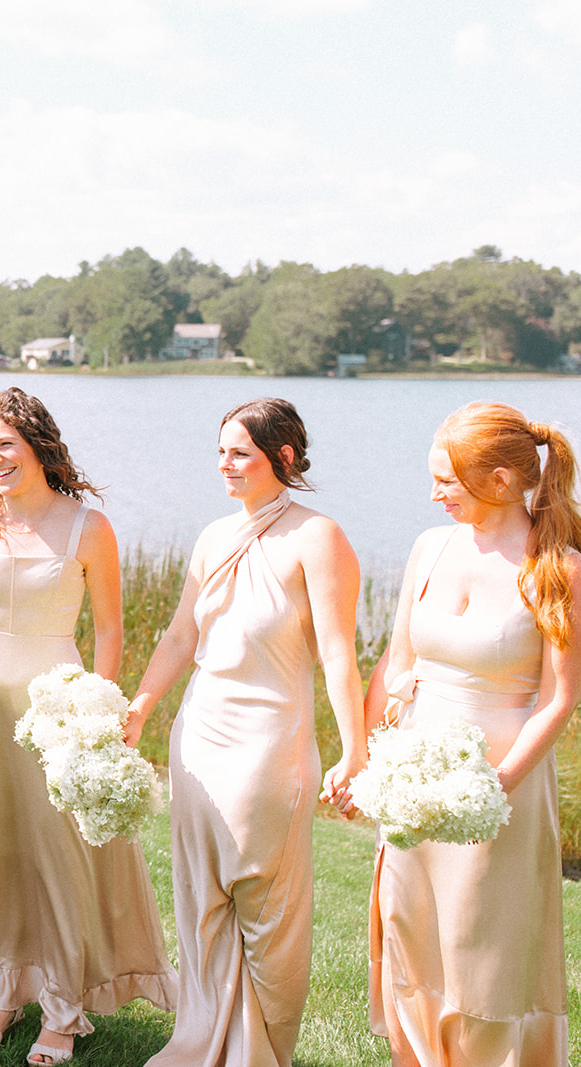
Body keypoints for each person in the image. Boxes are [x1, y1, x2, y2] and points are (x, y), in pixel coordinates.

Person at [0, 388, 177, 1064]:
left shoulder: (87, 528)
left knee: (59, 851)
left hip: (59, 705)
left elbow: (110, 628)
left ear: (37, 445)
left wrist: (99, 712)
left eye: (5, 445)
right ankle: (4, 989)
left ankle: (64, 1005)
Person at [123, 397, 366, 1067]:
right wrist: (142, 705)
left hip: (269, 748)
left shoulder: (317, 537)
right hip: (198, 736)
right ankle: (200, 1041)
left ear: (283, 458)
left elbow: (341, 654)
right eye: (220, 450)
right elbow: (180, 634)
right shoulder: (211, 535)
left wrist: (356, 749)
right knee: (201, 901)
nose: (224, 464)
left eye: (240, 453)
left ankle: (261, 1054)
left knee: (267, 913)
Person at [364, 402, 579, 1065]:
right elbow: (398, 663)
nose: (435, 494)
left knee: (480, 951)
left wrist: (497, 783)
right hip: (414, 780)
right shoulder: (430, 545)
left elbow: (560, 698)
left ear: (503, 481)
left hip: (499, 788)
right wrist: (369, 768)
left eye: (448, 481)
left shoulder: (559, 567)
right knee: (411, 935)